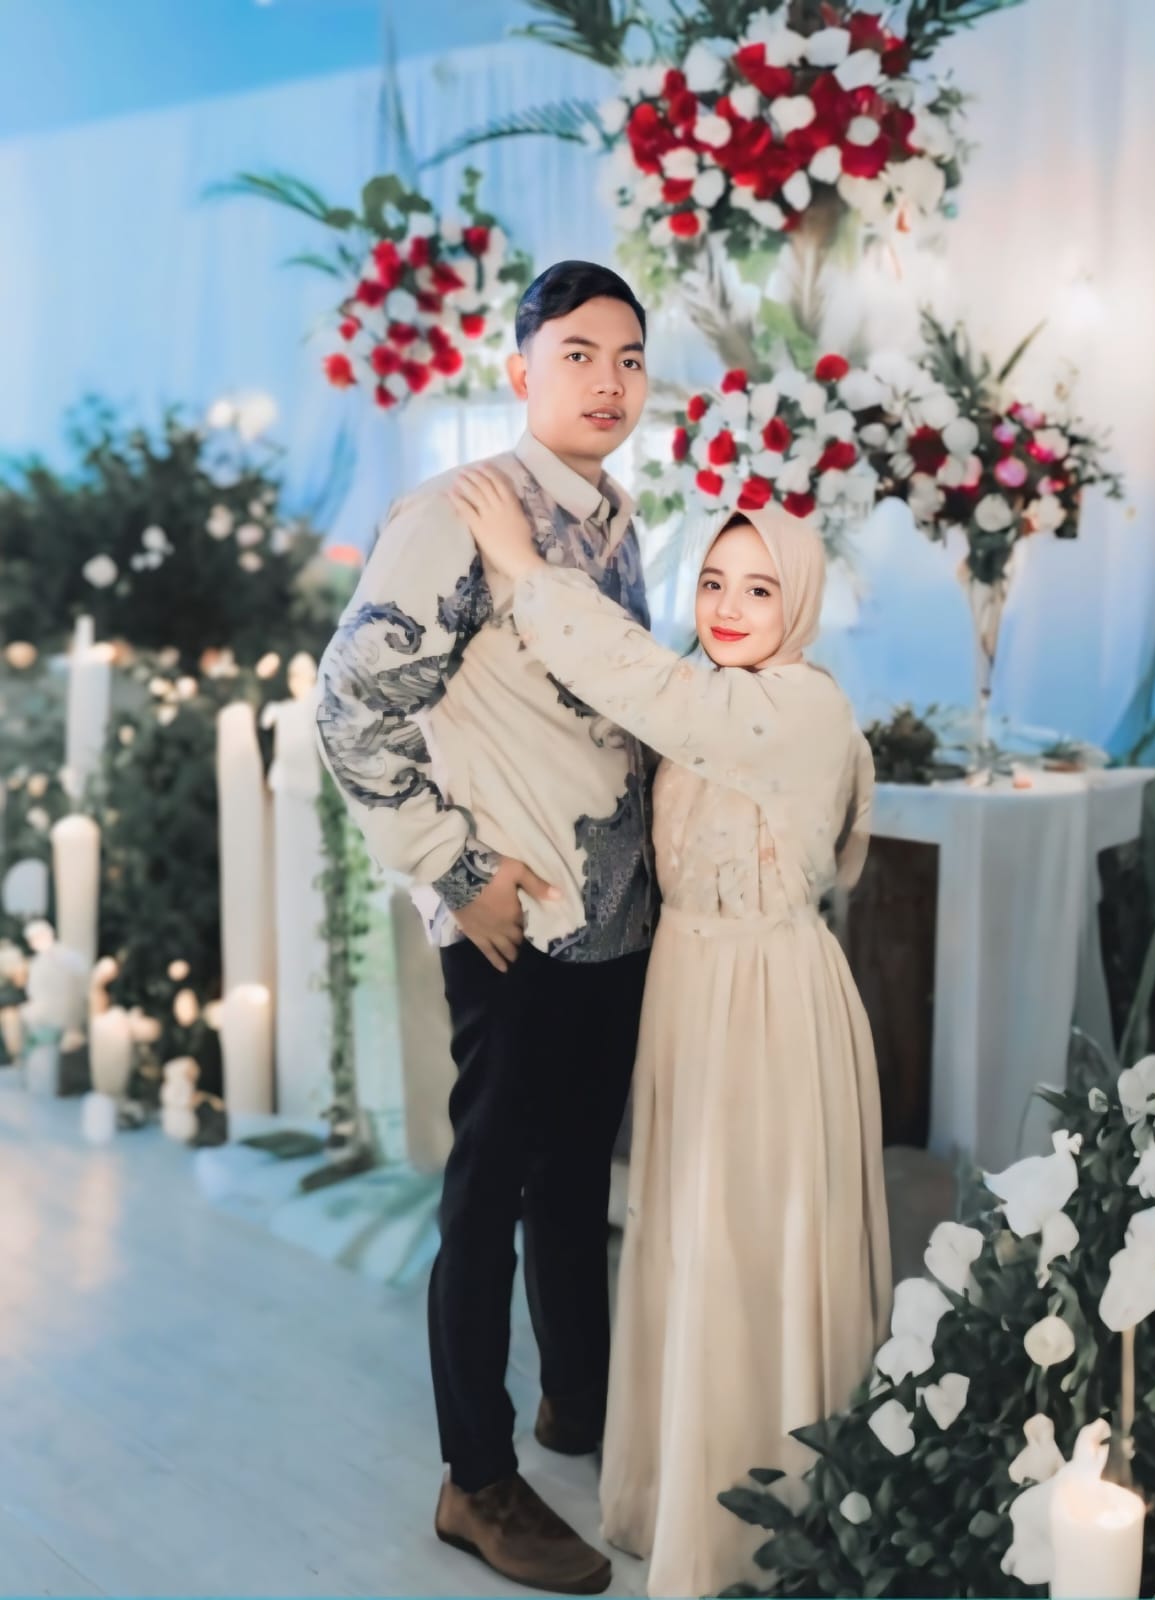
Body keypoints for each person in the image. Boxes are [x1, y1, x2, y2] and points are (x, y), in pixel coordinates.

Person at [448, 470, 894, 1600]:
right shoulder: (708, 685)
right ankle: (678, 1484)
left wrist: (524, 568)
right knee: (688, 1228)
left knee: (757, 1233)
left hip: (768, 992)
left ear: (801, 600)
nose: (729, 605)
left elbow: (645, 687)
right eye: (712, 581)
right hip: (687, 985)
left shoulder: (799, 704)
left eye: (760, 587)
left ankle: (768, 1511)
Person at [314, 261, 658, 1596]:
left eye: (628, 358)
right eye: (577, 353)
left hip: (611, 915)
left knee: (575, 1176)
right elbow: (352, 707)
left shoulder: (616, 517)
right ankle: (476, 1476)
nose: (607, 381)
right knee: (489, 1191)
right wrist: (455, 869)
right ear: (519, 368)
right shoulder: (459, 512)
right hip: (510, 915)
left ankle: (579, 1398)